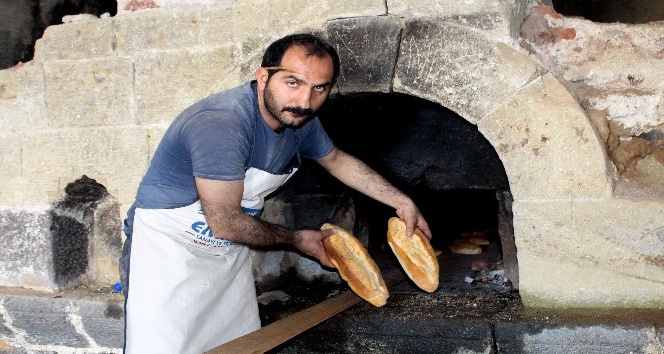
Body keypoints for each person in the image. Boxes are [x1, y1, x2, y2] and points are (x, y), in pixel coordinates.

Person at [120, 33, 432, 354]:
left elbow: (336, 160)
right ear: (263, 76)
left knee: (239, 346)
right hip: (168, 252)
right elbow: (225, 222)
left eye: (319, 88)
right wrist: (298, 240)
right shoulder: (222, 124)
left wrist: (400, 201)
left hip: (226, 253)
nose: (305, 101)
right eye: (293, 82)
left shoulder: (299, 120)